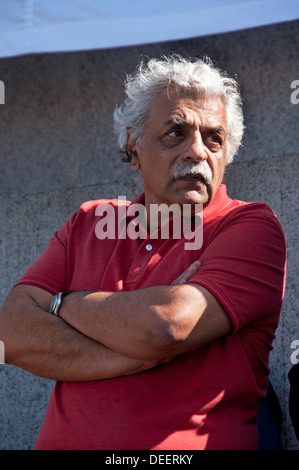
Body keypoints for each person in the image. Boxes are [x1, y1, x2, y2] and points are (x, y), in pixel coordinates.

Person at [0, 55, 286, 450]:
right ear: (133, 149)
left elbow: (165, 327)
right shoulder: (89, 222)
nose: (198, 152)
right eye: (176, 133)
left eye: (213, 138)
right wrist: (138, 355)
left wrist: (59, 305)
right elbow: (10, 335)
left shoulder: (249, 227)